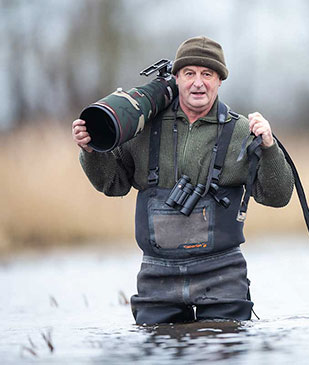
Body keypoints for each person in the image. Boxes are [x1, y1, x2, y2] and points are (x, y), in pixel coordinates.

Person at [72, 36, 294, 325]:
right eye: (189, 73)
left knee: (222, 346)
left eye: (207, 74)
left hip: (223, 274)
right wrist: (90, 150)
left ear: (219, 81)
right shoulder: (141, 126)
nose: (198, 83)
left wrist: (269, 147)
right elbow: (112, 184)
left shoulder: (241, 130)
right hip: (157, 277)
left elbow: (278, 196)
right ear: (176, 78)